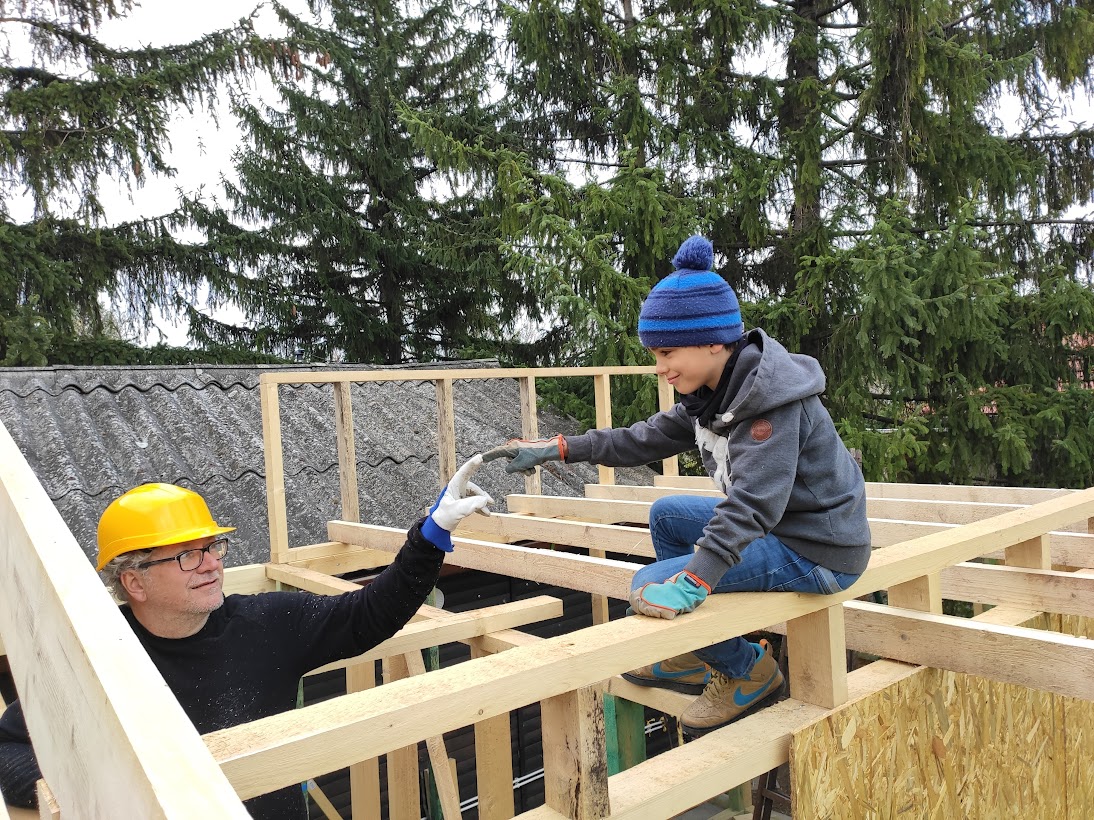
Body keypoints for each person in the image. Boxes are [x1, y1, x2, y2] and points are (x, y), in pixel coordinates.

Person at [484, 235, 871, 736]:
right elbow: (641, 439)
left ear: (714, 342)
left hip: (818, 551)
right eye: (655, 354)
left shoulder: (768, 407)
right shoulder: (713, 394)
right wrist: (558, 448)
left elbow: (752, 506)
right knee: (666, 515)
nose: (660, 368)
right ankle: (698, 653)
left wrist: (693, 582)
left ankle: (749, 671)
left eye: (668, 353)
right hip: (783, 528)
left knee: (645, 585)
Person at [0, 456, 492, 818]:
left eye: (212, 547)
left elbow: (369, 613)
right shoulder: (101, 662)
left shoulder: (265, 624)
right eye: (187, 555)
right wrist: (94, 792)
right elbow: (11, 751)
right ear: (134, 581)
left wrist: (432, 534)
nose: (211, 565)